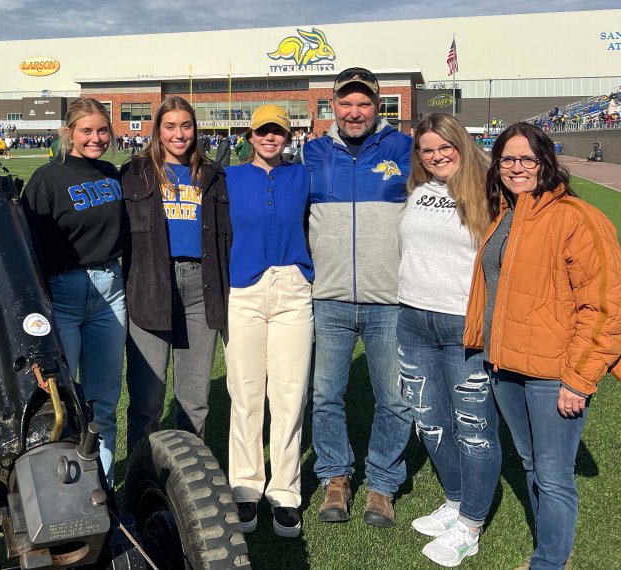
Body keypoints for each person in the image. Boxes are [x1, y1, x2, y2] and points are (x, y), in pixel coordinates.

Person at [464, 122, 621, 569]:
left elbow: (604, 307)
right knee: (531, 465)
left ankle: (549, 562)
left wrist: (578, 381)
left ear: (547, 161)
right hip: (505, 366)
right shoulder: (507, 212)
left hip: (553, 373)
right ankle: (551, 550)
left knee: (554, 474)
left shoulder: (578, 218)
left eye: (528, 159)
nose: (517, 168)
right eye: (507, 159)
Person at [300, 66, 413, 527]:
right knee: (326, 394)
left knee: (394, 397)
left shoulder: (405, 150)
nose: (354, 111)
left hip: (389, 297)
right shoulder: (312, 153)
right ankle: (335, 476)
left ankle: (382, 483)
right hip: (329, 296)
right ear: (333, 106)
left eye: (363, 102)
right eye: (345, 103)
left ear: (378, 105)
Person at [396, 113, 499, 566]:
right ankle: (456, 500)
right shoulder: (418, 191)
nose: (436, 156)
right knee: (431, 421)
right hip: (413, 319)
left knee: (474, 428)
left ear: (461, 144)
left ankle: (472, 524)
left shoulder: (489, 191)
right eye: (427, 150)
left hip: (464, 326)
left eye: (445, 147)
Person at [21, 98, 127, 488]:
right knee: (60, 402)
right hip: (63, 293)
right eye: (87, 131)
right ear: (69, 133)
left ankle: (103, 489)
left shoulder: (111, 173)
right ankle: (64, 495)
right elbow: (27, 245)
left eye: (102, 130)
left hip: (111, 292)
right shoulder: (47, 178)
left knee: (104, 403)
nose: (96, 138)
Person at [121, 96, 231, 455]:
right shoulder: (135, 172)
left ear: (195, 129)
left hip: (202, 287)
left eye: (186, 125)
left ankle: (189, 482)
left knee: (194, 399)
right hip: (151, 283)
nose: (179, 134)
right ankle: (143, 483)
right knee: (147, 401)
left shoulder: (212, 174)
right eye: (170, 126)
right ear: (158, 131)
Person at [223, 105, 313, 538]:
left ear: (288, 134)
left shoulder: (302, 174)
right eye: (263, 131)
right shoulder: (229, 177)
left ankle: (285, 492)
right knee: (245, 392)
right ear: (250, 135)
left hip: (293, 288)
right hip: (244, 289)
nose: (270, 138)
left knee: (289, 393)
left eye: (277, 131)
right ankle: (245, 486)